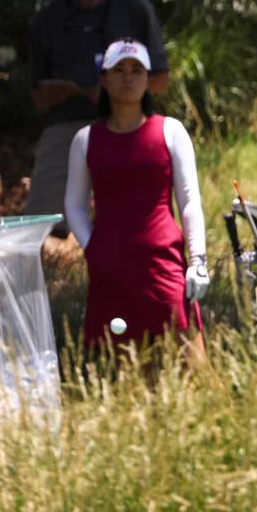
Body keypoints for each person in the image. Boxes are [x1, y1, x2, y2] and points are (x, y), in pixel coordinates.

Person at [26, 0, 170, 234]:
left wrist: (119, 89)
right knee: (37, 226)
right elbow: (36, 95)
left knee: (142, 217)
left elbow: (160, 79)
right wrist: (72, 90)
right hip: (67, 124)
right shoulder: (46, 20)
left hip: (130, 123)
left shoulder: (134, 8)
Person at [64, 39, 209, 351]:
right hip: (110, 267)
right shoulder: (85, 140)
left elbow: (189, 200)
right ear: (104, 79)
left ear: (148, 79)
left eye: (136, 70)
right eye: (119, 70)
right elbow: (73, 204)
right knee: (124, 366)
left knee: (191, 358)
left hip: (163, 262)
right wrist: (93, 247)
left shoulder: (171, 131)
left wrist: (197, 260)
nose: (128, 78)